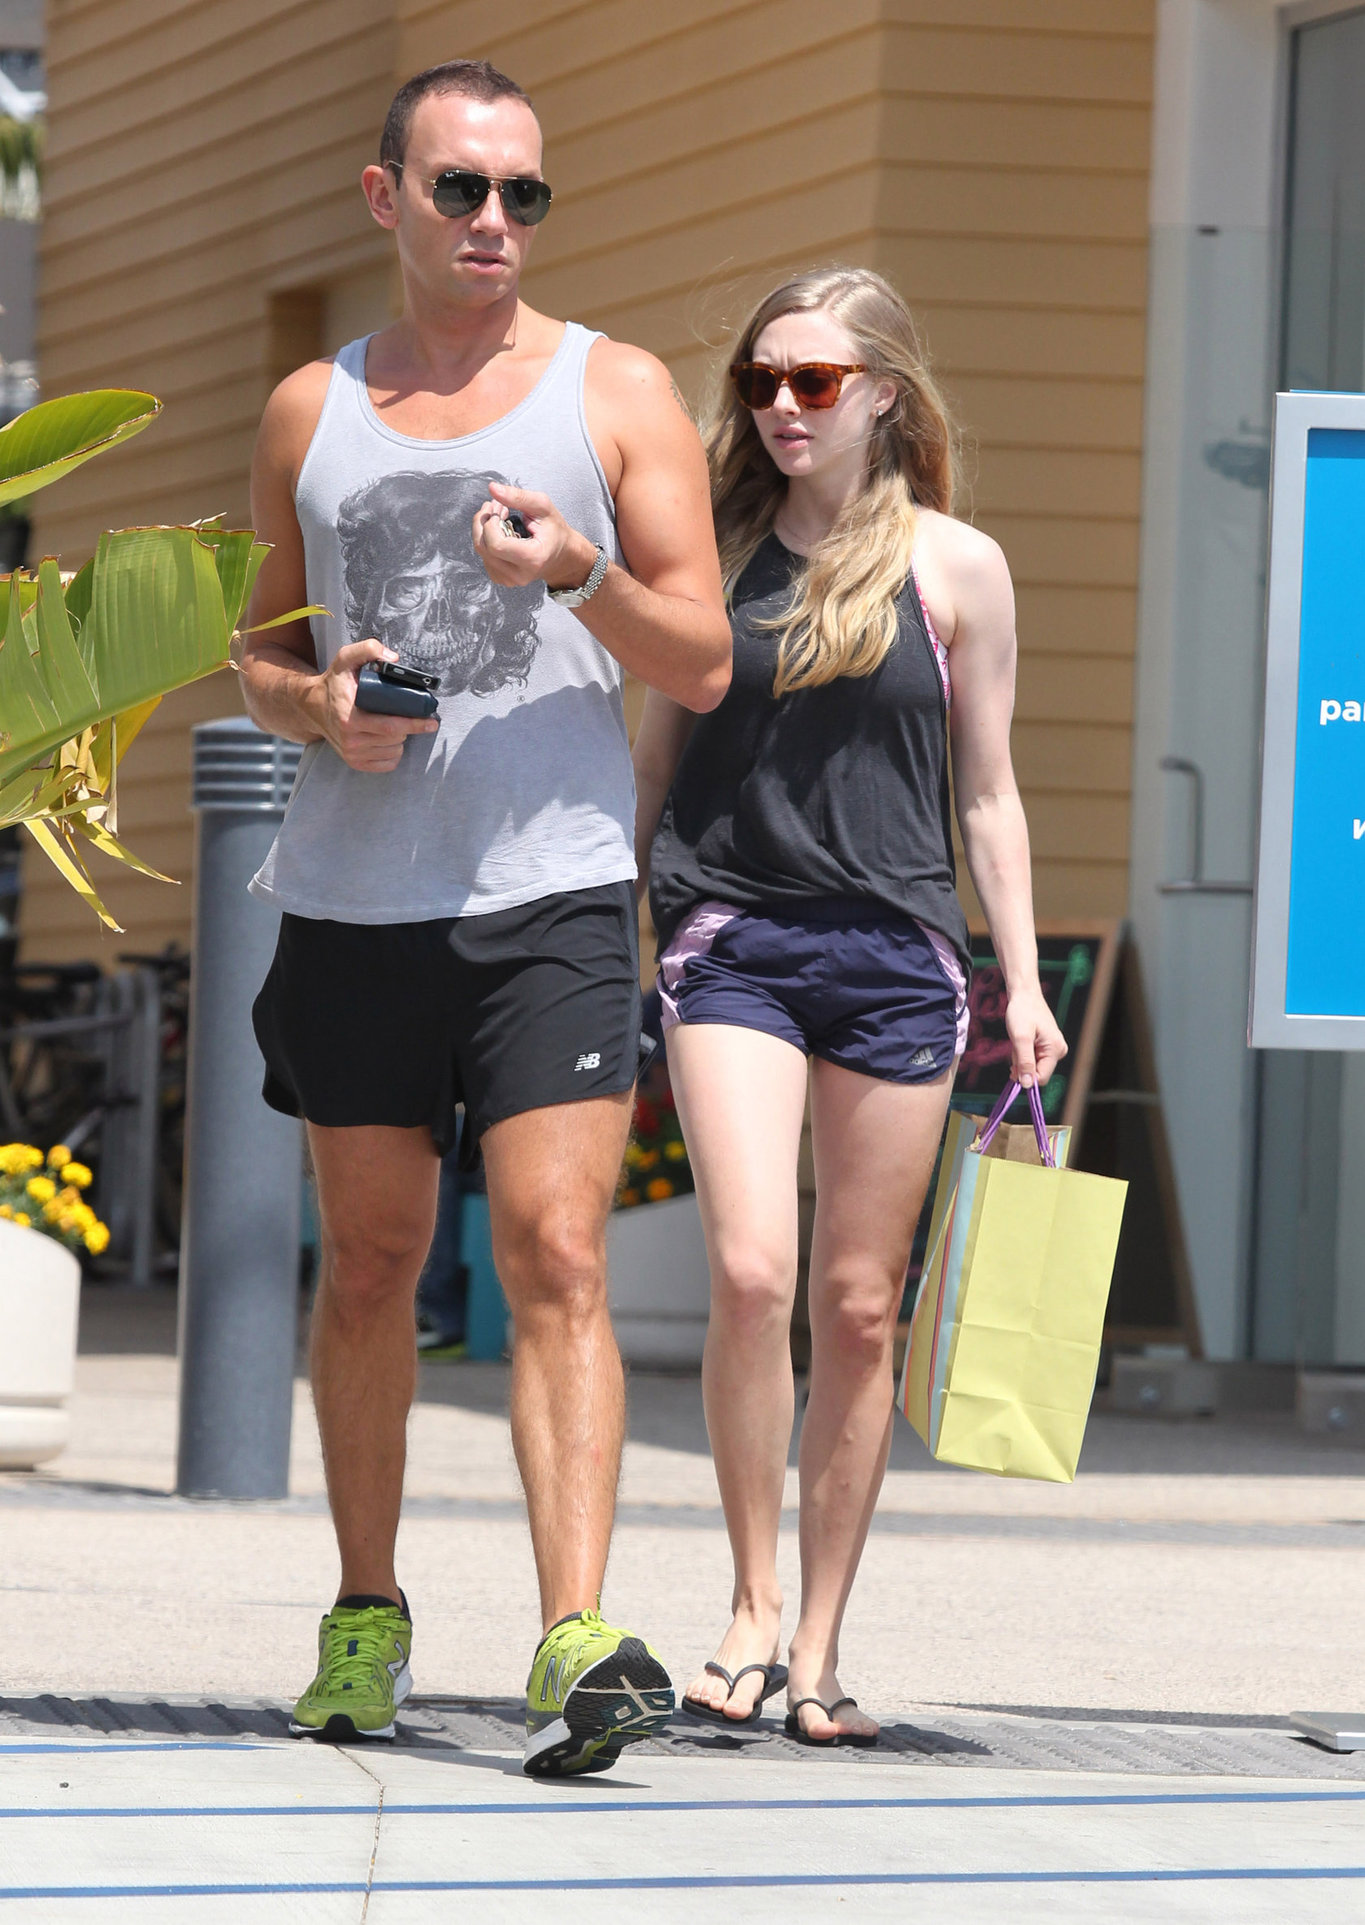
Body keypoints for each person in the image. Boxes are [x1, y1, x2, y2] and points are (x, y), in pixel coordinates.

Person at [239, 58, 730, 1777]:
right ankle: (365, 1611)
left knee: (558, 1250)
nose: (498, 225)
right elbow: (258, 649)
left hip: (555, 888)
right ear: (390, 199)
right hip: (360, 896)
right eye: (464, 191)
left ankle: (574, 1633)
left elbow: (707, 655)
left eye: (526, 195)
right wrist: (321, 707)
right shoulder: (313, 407)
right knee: (371, 1262)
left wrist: (579, 576)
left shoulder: (616, 391)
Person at [632, 265, 1066, 1746]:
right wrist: (625, 913)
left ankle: (817, 1643)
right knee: (753, 1272)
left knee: (859, 1307)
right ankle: (748, 1607)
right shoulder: (709, 551)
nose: (779, 405)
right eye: (762, 380)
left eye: (812, 380)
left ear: (883, 392)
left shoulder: (957, 568)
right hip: (730, 940)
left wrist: (1021, 978)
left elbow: (990, 792)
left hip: (897, 955)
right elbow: (649, 755)